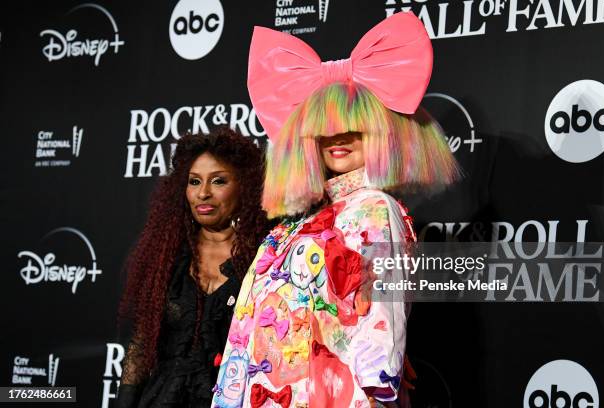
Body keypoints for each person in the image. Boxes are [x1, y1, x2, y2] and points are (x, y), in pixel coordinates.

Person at [212, 11, 460, 408]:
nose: (336, 137)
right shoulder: (296, 222)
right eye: (322, 126)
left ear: (382, 131)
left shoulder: (376, 210)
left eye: (353, 125)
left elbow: (381, 328)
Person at [116, 127, 270, 407]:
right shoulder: (166, 255)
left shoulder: (266, 256)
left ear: (245, 186)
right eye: (194, 182)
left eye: (219, 181)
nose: (203, 194)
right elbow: (140, 346)